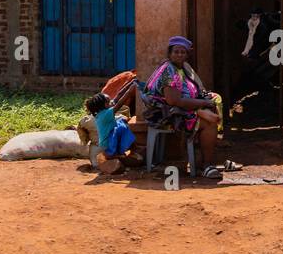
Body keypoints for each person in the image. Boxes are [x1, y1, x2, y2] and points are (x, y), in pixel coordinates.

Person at [142, 35, 225, 176]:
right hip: (167, 114)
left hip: (176, 109)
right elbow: (174, 101)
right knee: (209, 122)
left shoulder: (181, 69)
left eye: (183, 52)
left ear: (187, 54)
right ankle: (206, 165)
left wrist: (203, 100)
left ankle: (202, 158)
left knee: (214, 102)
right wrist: (203, 103)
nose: (179, 54)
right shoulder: (168, 72)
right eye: (176, 52)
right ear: (170, 53)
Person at [81, 86, 136, 175]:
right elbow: (119, 103)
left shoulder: (102, 112)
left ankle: (118, 153)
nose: (112, 102)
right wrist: (130, 92)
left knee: (120, 123)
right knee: (121, 126)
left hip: (108, 140)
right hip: (107, 143)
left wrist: (130, 84)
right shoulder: (105, 114)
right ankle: (111, 154)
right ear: (104, 105)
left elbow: (118, 96)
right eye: (109, 101)